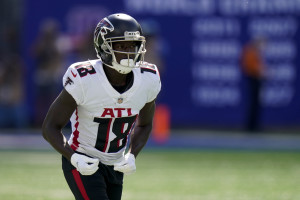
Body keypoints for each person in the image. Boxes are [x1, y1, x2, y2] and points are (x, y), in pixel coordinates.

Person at [42, 13, 161, 200]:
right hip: (84, 160)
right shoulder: (84, 78)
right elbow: (50, 127)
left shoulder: (148, 78)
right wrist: (73, 157)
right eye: (121, 45)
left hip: (116, 164)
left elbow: (145, 125)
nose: (129, 51)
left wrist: (132, 154)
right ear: (104, 46)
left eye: (132, 45)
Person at [241, 37, 266, 132]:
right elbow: (251, 67)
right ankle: (251, 126)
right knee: (254, 104)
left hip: (257, 80)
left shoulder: (257, 53)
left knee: (256, 104)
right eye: (263, 44)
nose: (264, 46)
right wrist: (262, 72)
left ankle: (254, 125)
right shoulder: (251, 52)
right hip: (254, 80)